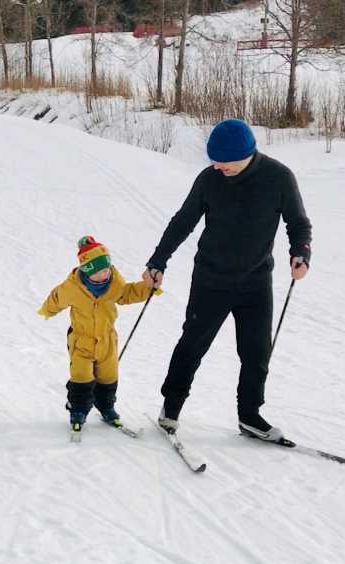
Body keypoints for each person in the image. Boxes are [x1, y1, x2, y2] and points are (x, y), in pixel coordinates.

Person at [143, 118, 312, 441]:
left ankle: (250, 415)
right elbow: (182, 223)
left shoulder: (278, 178)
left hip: (256, 282)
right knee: (192, 345)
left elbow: (298, 223)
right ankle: (171, 408)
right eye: (214, 162)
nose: (219, 168)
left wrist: (300, 252)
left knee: (256, 352)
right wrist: (157, 260)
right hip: (210, 279)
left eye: (225, 163)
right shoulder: (209, 179)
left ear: (246, 154)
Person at [39, 236, 158, 431]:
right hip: (81, 341)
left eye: (106, 269)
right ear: (87, 271)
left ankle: (106, 407)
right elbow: (56, 298)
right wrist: (47, 310)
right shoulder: (72, 287)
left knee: (108, 377)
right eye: (100, 271)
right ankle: (78, 409)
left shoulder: (115, 283)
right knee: (81, 377)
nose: (105, 274)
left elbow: (128, 293)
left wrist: (147, 289)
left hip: (107, 340)